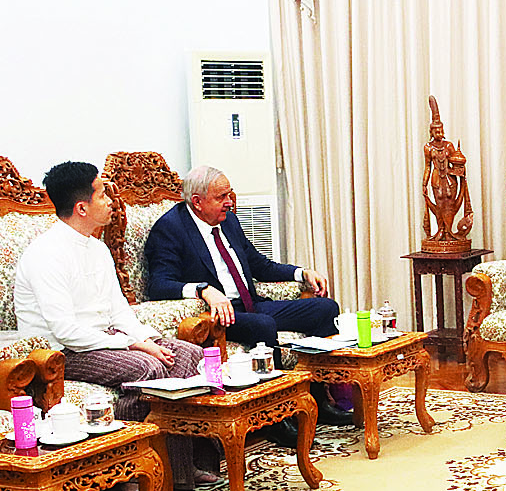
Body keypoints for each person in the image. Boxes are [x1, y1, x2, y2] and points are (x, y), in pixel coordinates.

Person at [15, 161, 215, 491]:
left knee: (189, 355)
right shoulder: (45, 254)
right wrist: (134, 345)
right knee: (148, 367)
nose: (111, 201)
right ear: (81, 208)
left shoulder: (97, 248)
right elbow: (66, 331)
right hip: (60, 353)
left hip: (103, 339)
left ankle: (182, 468)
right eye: (102, 194)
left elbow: (119, 311)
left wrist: (149, 338)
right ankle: (131, 474)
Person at [142, 165, 353, 434]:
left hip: (251, 304)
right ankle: (276, 416)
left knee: (325, 308)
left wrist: (301, 273)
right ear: (197, 202)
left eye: (229, 194)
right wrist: (203, 289)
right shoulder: (170, 229)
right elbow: (159, 285)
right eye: (221, 197)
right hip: (220, 315)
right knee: (263, 324)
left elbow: (258, 264)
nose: (229, 202)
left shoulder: (228, 221)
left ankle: (320, 400)